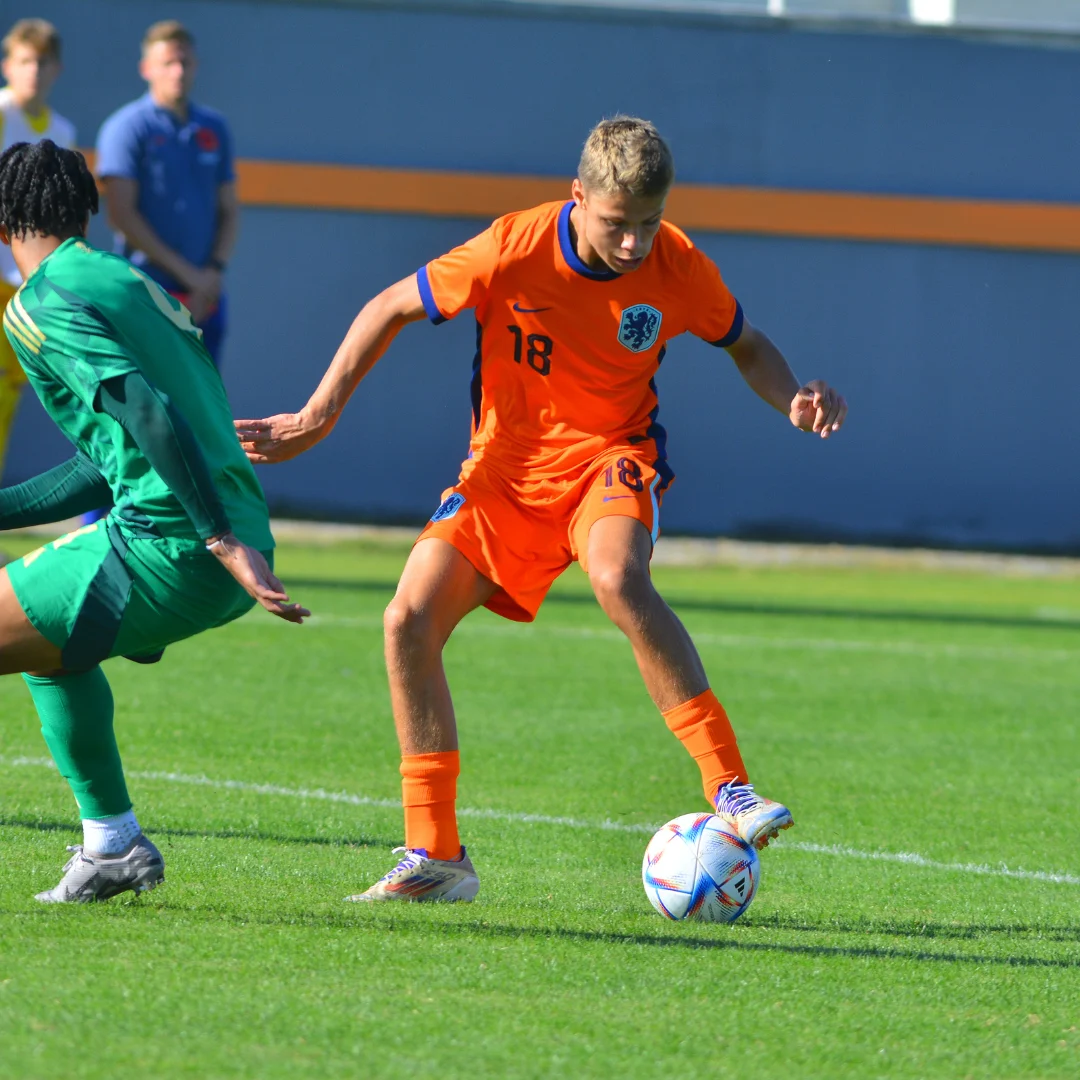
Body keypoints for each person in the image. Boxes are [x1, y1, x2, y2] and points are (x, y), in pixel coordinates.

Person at [237, 117, 847, 903]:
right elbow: (389, 305)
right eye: (617, 225)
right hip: (501, 476)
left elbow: (746, 343)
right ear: (578, 198)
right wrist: (314, 417)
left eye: (648, 224)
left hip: (611, 459)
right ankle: (436, 857)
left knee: (617, 577)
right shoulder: (511, 248)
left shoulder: (677, 263)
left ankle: (729, 788)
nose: (633, 245)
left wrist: (791, 397)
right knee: (405, 623)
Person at [0, 140, 308, 904]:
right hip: (210, 533)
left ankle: (113, 841)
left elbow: (147, 410)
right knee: (49, 653)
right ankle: (111, 846)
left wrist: (216, 538)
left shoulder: (37, 302)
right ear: (87, 209)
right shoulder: (121, 281)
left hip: (173, 541)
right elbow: (109, 456)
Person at [96, 19, 237, 367]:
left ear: (196, 66)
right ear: (146, 69)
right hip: (146, 294)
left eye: (185, 62)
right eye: (168, 63)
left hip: (206, 298)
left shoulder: (214, 127)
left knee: (203, 413)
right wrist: (190, 277)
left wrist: (212, 274)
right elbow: (121, 215)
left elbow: (230, 210)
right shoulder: (126, 127)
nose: (178, 71)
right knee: (151, 410)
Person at [0, 19, 74, 483]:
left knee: (8, 396)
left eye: (43, 62)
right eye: (26, 60)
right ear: (9, 65)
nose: (34, 71)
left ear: (57, 70)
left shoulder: (62, 130)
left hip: (24, 287)